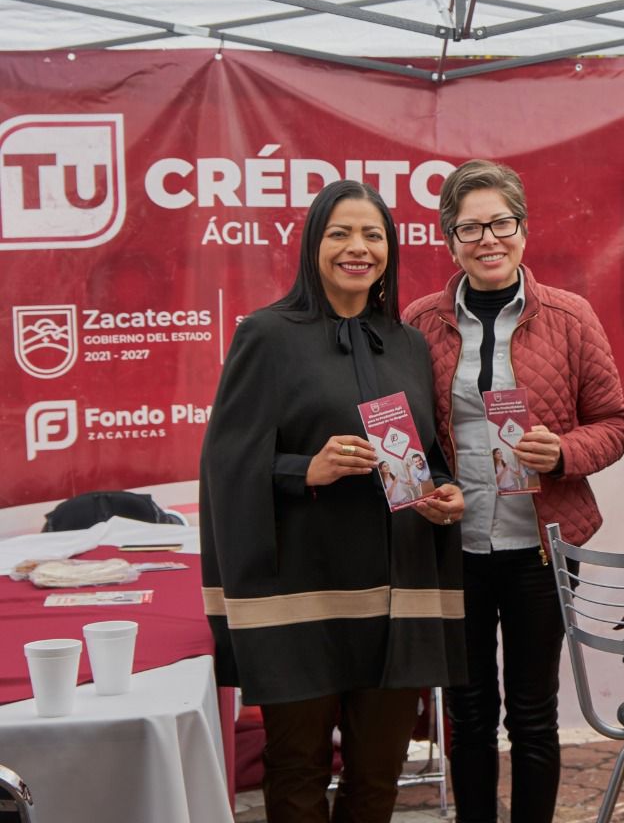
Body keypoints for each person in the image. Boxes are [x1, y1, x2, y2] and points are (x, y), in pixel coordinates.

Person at [199, 180, 467, 823]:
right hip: (301, 594)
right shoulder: (266, 335)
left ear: (390, 249)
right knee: (298, 771)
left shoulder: (407, 343)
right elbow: (226, 464)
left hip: (395, 596)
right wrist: (306, 470)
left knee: (378, 777)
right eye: (340, 233)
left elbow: (424, 453)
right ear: (313, 245)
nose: (358, 248)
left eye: (373, 235)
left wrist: (443, 492)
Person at [404, 159, 624, 823]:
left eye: (501, 223)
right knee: (469, 711)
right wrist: (428, 487)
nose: (488, 240)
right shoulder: (420, 321)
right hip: (455, 547)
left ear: (524, 230)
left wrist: (563, 453)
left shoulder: (570, 316)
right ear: (449, 239)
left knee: (533, 714)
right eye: (470, 227)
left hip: (541, 548)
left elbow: (614, 425)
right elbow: (411, 432)